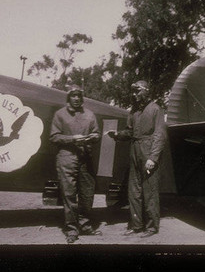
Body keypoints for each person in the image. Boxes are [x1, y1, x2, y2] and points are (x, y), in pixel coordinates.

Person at [107, 80, 167, 238]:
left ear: (146, 91)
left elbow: (160, 135)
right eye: (133, 92)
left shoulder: (155, 109)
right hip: (134, 152)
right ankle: (136, 225)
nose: (134, 95)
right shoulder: (133, 111)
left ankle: (152, 227)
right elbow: (130, 131)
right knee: (134, 191)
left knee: (150, 191)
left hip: (148, 154)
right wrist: (118, 135)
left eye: (137, 91)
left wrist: (153, 158)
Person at [49, 85, 102, 243]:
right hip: (67, 157)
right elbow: (53, 137)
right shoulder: (60, 115)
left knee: (87, 193)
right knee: (69, 194)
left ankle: (84, 224)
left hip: (85, 157)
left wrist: (93, 137)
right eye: (73, 95)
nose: (77, 98)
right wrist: (72, 139)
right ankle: (72, 229)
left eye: (79, 95)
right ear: (68, 98)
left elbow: (97, 133)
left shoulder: (90, 115)